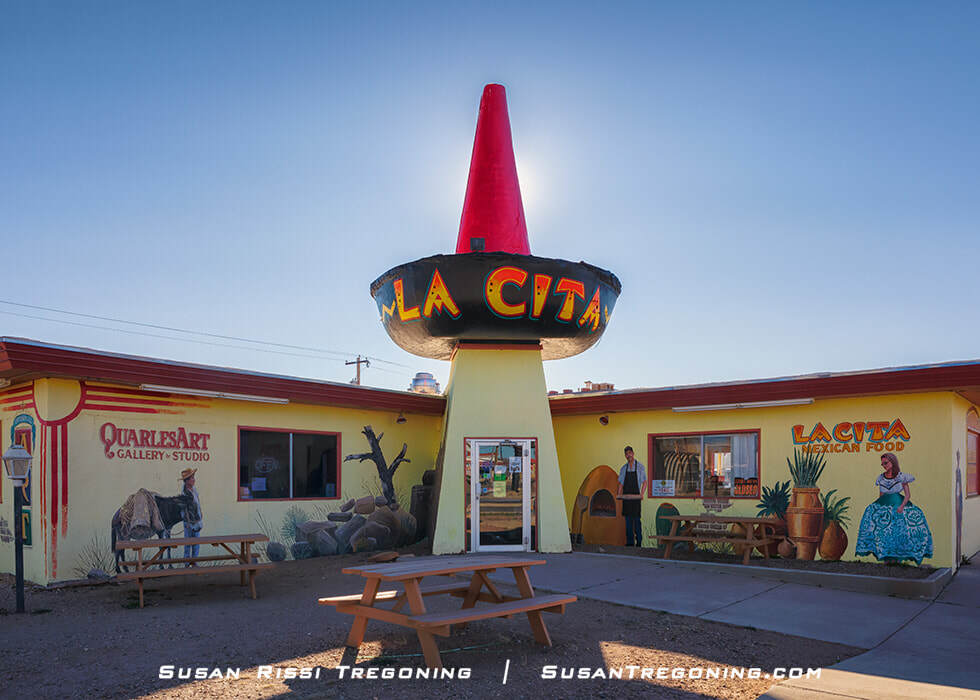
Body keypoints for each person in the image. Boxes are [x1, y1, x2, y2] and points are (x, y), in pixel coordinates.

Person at [855, 453, 933, 565]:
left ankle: (898, 558)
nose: (884, 465)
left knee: (900, 530)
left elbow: (907, 495)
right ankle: (886, 556)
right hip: (883, 505)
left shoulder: (901, 477)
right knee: (883, 532)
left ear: (893, 462)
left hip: (898, 504)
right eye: (882, 464)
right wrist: (878, 509)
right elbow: (881, 495)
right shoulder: (881, 478)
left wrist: (902, 506)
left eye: (886, 463)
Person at [617, 445, 646, 546]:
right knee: (628, 523)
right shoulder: (623, 469)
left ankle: (639, 543)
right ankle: (629, 544)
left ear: (633, 453)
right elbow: (621, 483)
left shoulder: (640, 467)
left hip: (636, 499)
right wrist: (619, 494)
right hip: (626, 500)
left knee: (637, 522)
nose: (628, 455)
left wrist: (641, 494)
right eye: (626, 454)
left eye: (630, 453)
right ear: (625, 456)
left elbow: (645, 482)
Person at [179, 468, 203, 566]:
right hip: (189, 522)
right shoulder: (184, 493)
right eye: (192, 478)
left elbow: (197, 504)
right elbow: (184, 510)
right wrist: (188, 521)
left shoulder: (194, 490)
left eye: (193, 477)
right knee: (188, 543)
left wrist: (200, 513)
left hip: (196, 520)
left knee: (196, 543)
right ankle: (187, 563)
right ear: (187, 481)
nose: (194, 480)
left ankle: (194, 562)